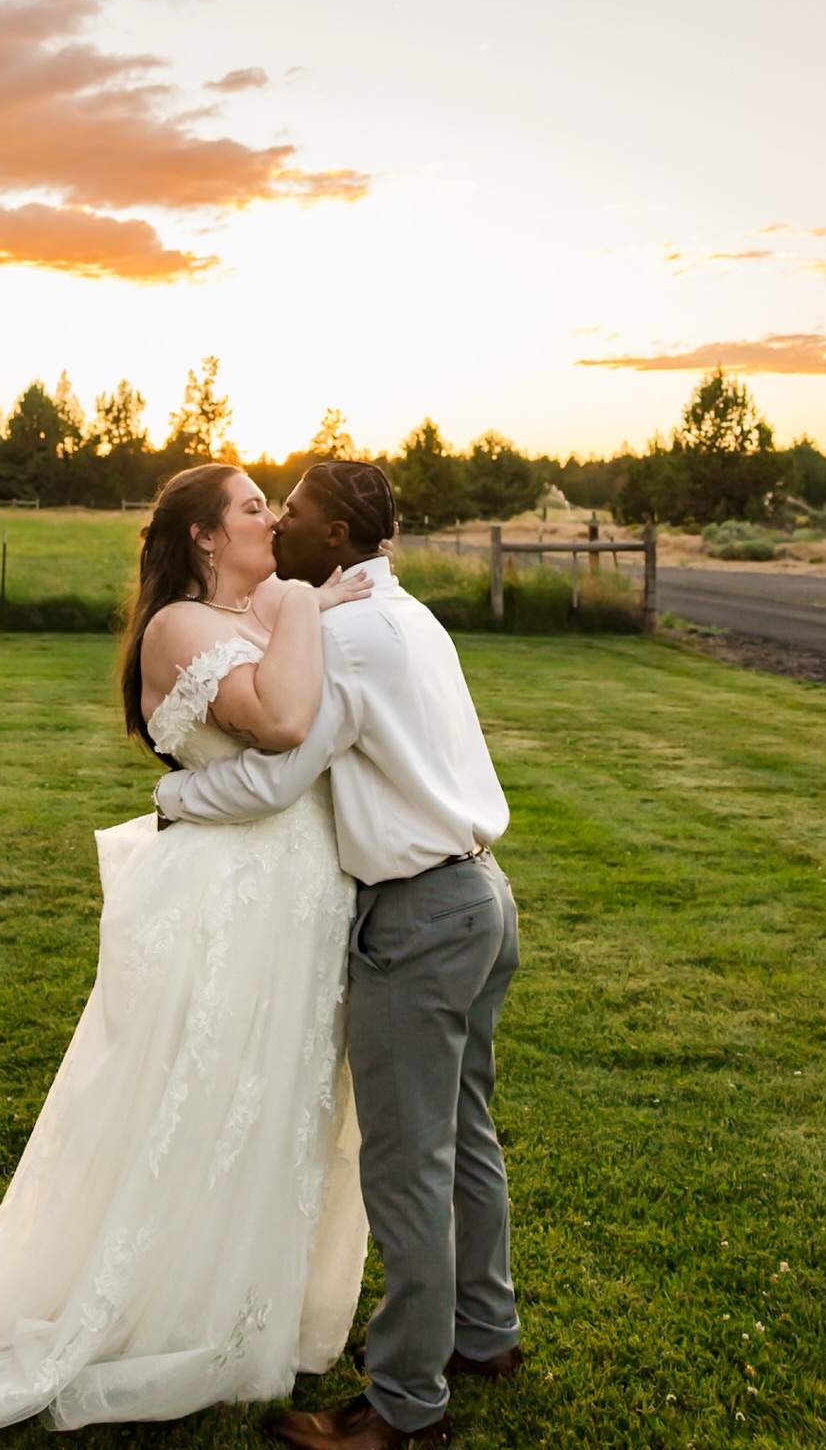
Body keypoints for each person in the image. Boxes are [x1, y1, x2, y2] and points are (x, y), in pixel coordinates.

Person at [0, 462, 371, 1431]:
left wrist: (305, 608)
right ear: (203, 537)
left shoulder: (264, 616)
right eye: (252, 509)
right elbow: (284, 723)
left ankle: (257, 1301)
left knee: (285, 1099)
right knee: (208, 1094)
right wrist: (303, 604)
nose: (272, 522)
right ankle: (165, 1306)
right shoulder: (182, 627)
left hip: (302, 891)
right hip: (234, 896)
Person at [154, 461, 522, 1450]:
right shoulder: (410, 616)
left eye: (300, 514)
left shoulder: (349, 640)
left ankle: (405, 1406)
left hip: (421, 918)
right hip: (485, 894)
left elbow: (277, 779)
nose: (282, 521)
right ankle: (485, 1333)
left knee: (408, 1163)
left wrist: (175, 800)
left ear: (340, 534)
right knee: (465, 1134)